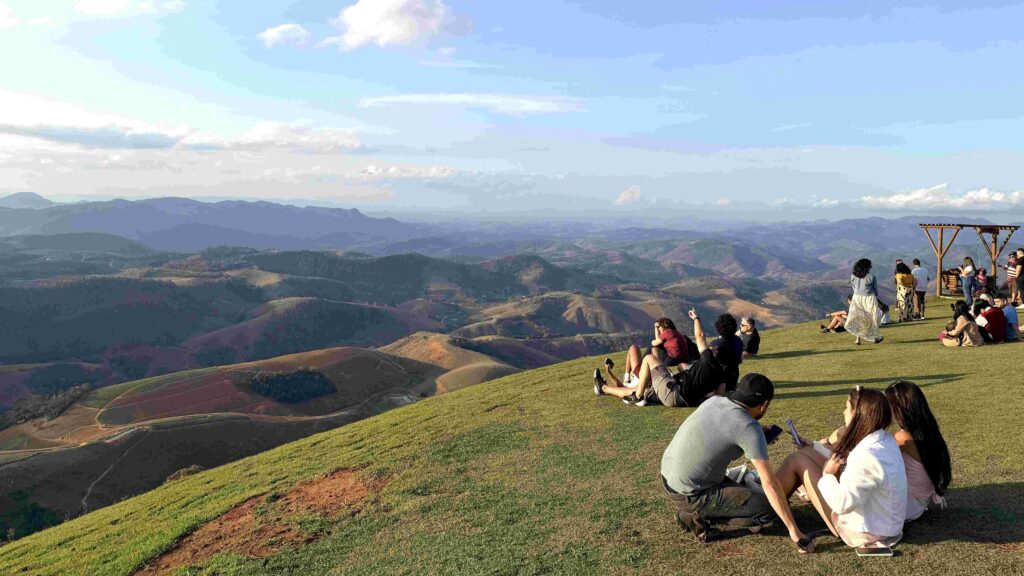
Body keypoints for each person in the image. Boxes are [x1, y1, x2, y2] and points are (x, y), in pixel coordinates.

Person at [660, 373, 814, 552]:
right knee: (768, 509)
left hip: (668, 476)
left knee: (743, 493)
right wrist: (793, 530)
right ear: (764, 404)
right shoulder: (749, 428)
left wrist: (755, 438)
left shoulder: (714, 401)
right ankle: (696, 515)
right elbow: (769, 482)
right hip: (692, 493)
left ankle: (694, 509)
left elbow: (723, 436)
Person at [595, 309, 724, 408]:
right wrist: (699, 398)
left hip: (673, 391)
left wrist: (696, 318)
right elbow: (718, 395)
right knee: (635, 389)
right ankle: (603, 388)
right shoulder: (721, 373)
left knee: (649, 358)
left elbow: (700, 335)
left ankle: (638, 397)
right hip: (682, 398)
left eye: (713, 348)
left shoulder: (707, 359)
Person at [884, 381, 951, 522]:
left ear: (899, 409)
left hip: (905, 507)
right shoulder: (928, 431)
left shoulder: (903, 438)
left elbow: (876, 459)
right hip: (919, 503)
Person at [846, 259, 884, 345]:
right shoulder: (871, 276)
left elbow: (853, 286)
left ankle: (858, 339)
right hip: (869, 298)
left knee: (859, 316)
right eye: (869, 266)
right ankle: (874, 337)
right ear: (866, 267)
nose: (870, 267)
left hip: (856, 297)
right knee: (873, 317)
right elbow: (875, 289)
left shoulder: (853, 275)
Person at [710, 314, 743, 391]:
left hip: (719, 383)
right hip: (733, 380)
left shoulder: (715, 344)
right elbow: (740, 360)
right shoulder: (738, 340)